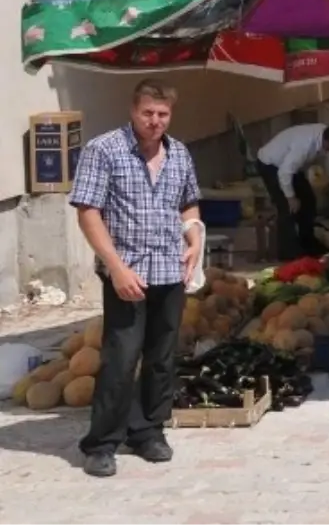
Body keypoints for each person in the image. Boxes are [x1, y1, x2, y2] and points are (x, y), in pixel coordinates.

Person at [70, 79, 203, 478]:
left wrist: (194, 238)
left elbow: (188, 203)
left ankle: (148, 432)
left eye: (162, 114)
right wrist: (115, 266)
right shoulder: (104, 150)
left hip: (170, 270)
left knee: (162, 357)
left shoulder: (179, 153)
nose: (155, 121)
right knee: (121, 357)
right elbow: (88, 211)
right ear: (133, 110)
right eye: (148, 113)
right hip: (127, 271)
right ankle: (102, 443)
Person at [257, 123, 329, 260]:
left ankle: (308, 243)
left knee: (309, 201)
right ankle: (288, 252)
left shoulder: (323, 135)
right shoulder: (304, 146)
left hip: (293, 168)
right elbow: (285, 172)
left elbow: (324, 157)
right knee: (287, 208)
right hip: (272, 165)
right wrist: (290, 197)